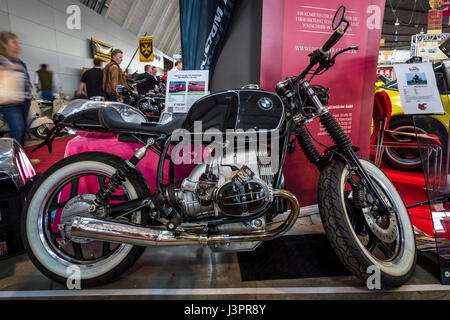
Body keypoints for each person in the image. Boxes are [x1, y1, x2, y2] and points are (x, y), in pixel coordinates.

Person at [0, 32, 39, 165]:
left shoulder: (20, 62)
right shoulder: (1, 60)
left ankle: (21, 159)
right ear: (5, 44)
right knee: (18, 129)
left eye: (18, 43)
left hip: (24, 101)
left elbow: (26, 79)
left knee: (22, 130)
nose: (18, 46)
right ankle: (15, 162)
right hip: (9, 103)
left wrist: (30, 89)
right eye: (14, 43)